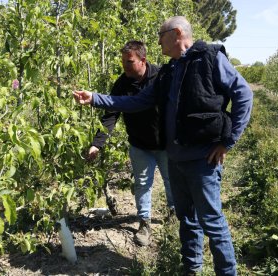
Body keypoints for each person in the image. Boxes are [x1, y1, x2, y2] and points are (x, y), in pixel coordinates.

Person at [73, 16, 253, 276]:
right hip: (177, 160)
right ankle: (192, 269)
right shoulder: (170, 70)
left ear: (177, 33)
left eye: (161, 34)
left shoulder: (210, 59)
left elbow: (244, 95)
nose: (157, 41)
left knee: (212, 223)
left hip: (203, 160)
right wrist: (95, 99)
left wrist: (227, 141)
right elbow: (137, 101)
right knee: (187, 220)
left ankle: (227, 272)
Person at [88, 40, 175, 247]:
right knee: (142, 184)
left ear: (143, 60)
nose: (125, 66)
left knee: (172, 182)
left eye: (129, 62)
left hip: (165, 144)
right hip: (139, 145)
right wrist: (97, 144)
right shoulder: (122, 83)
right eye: (123, 62)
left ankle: (175, 216)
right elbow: (111, 115)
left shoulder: (161, 77)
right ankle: (144, 223)